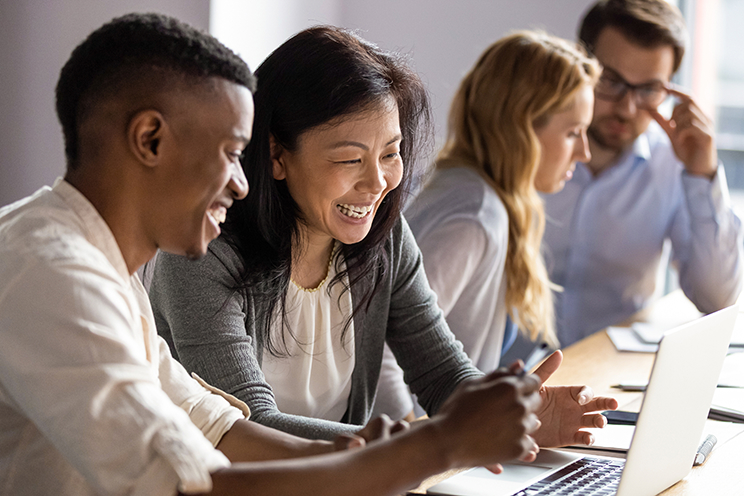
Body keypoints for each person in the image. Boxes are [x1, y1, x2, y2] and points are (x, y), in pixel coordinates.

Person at [0, 13, 551, 496]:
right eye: (230, 154)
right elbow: (192, 485)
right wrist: (436, 446)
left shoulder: (101, 264)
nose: (242, 183)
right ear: (150, 140)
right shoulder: (53, 272)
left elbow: (214, 426)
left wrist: (419, 445)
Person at [150, 25, 617, 447]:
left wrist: (515, 416)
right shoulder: (204, 251)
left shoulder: (384, 237)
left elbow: (441, 374)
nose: (377, 183)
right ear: (276, 154)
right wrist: (430, 443)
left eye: (390, 154)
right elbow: (249, 429)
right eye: (351, 159)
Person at [374, 31, 600, 418]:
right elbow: (382, 356)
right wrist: (415, 450)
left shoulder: (480, 193)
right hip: (425, 455)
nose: (585, 152)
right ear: (523, 127)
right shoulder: (474, 219)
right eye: (572, 133)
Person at [542, 0, 744, 345]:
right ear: (579, 63)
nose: (627, 107)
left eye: (649, 90)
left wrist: (702, 174)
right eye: (610, 81)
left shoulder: (672, 164)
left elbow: (718, 298)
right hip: (513, 377)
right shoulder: (525, 146)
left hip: (610, 377)